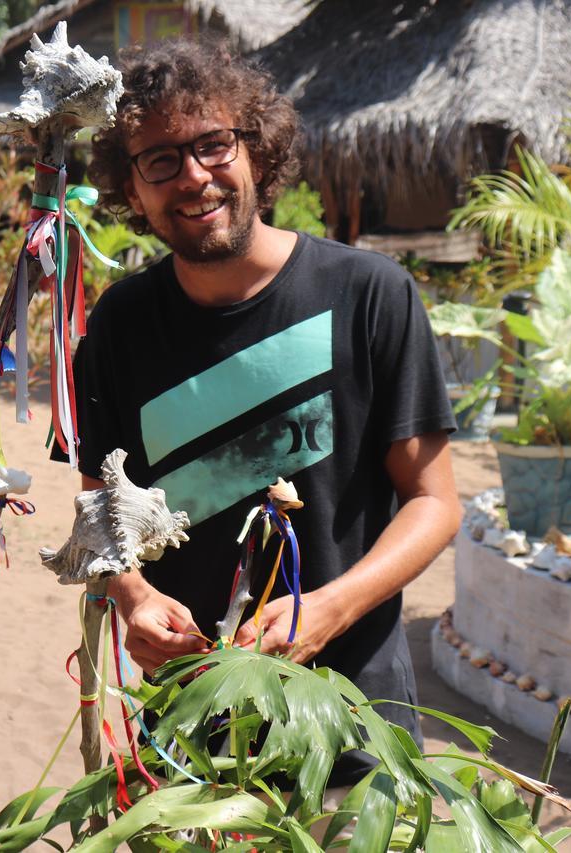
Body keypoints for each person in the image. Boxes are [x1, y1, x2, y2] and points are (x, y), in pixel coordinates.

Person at [73, 39, 462, 785]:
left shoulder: (370, 294)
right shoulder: (119, 322)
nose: (194, 175)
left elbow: (434, 502)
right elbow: (98, 496)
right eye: (160, 160)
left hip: (349, 722)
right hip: (187, 732)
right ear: (132, 188)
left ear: (256, 149)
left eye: (214, 144)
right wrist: (131, 593)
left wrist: (328, 609)